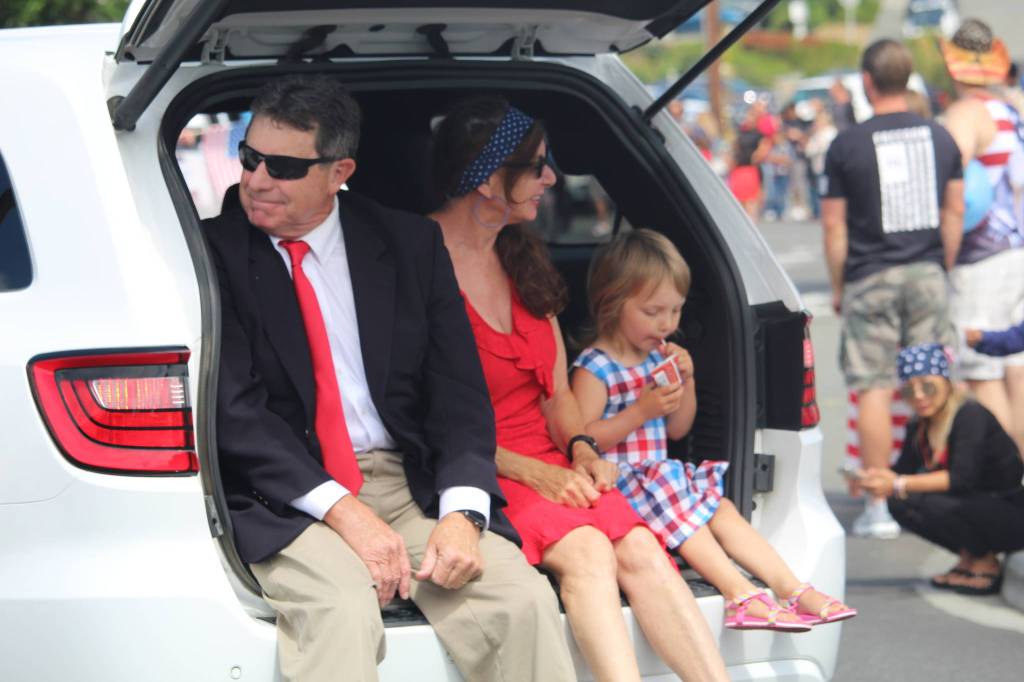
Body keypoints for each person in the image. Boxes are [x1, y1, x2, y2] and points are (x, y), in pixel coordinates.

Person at [203, 75, 576, 682]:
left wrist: (462, 513)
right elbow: (236, 415)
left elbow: (458, 397)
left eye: (284, 166)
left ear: (338, 171)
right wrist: (345, 513)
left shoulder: (408, 243)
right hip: (290, 497)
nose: (256, 179)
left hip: (408, 484)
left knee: (524, 600)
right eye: (250, 157)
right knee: (342, 609)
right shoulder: (212, 253)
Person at [428, 95, 729, 682]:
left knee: (641, 548)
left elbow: (559, 399)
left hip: (551, 460)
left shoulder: (520, 257)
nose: (551, 177)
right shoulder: (417, 260)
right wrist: (536, 473)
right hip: (474, 467)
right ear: (490, 179)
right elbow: (416, 423)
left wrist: (582, 450)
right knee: (591, 550)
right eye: (537, 164)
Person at [571, 229, 855, 630]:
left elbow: (677, 428)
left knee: (721, 507)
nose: (666, 323)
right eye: (653, 312)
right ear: (612, 302)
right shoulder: (594, 367)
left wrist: (685, 385)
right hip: (617, 485)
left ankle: (791, 586)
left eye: (675, 311)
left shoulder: (659, 357)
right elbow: (581, 439)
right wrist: (639, 411)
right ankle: (738, 592)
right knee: (678, 497)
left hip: (657, 479)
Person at [821, 39, 964, 539]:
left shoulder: (847, 145)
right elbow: (954, 212)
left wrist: (839, 284)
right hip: (926, 269)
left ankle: (879, 503)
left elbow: (835, 227)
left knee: (875, 387)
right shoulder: (941, 138)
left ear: (866, 82)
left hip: (870, 273)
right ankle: (937, 487)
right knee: (934, 380)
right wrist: (941, 266)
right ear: (909, 80)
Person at [861, 343, 1024, 595]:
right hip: (978, 507)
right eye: (908, 391)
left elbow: (961, 478)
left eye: (927, 386)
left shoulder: (970, 414)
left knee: (921, 498)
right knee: (899, 501)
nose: (919, 397)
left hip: (1010, 512)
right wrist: (871, 478)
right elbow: (902, 470)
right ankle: (969, 557)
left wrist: (897, 483)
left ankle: (984, 562)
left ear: (946, 383)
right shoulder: (920, 424)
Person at [941, 19, 1024, 455]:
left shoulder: (966, 114)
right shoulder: (1013, 108)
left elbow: (957, 195)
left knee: (982, 375)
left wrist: (945, 257)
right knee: (1016, 371)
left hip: (981, 257)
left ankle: (1006, 482)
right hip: (1016, 254)